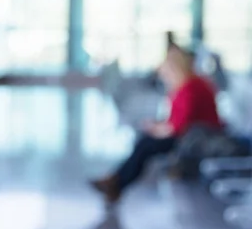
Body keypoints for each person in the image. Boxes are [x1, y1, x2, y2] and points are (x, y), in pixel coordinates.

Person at [90, 45, 221, 204]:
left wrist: (157, 129)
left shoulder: (191, 88)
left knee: (146, 144)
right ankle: (115, 181)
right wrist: (157, 126)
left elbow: (179, 127)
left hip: (198, 139)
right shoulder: (187, 85)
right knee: (145, 142)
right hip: (191, 134)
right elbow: (177, 120)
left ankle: (116, 182)